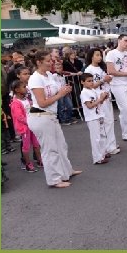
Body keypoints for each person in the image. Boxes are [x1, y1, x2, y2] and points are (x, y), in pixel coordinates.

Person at [28, 50, 82, 188]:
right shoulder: (35, 78)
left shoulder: (49, 75)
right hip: (40, 116)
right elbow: (42, 102)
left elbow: (57, 91)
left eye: (50, 60)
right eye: (47, 60)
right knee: (49, 149)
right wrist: (61, 94)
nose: (50, 63)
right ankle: (54, 179)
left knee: (61, 145)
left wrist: (64, 90)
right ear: (39, 62)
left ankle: (66, 171)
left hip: (50, 116)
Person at [105, 35, 127, 141]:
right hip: (117, 84)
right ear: (119, 41)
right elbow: (110, 71)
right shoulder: (111, 54)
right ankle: (126, 133)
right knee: (124, 108)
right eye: (125, 40)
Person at [84, 49, 120, 154]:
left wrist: (108, 79)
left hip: (106, 95)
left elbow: (108, 79)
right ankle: (108, 146)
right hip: (98, 98)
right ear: (91, 57)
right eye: (97, 55)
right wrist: (103, 80)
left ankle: (111, 143)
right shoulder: (89, 69)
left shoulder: (102, 68)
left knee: (110, 121)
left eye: (100, 55)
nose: (99, 57)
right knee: (104, 122)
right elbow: (90, 85)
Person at [9, 77, 42, 172]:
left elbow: (31, 108)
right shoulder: (16, 103)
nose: (26, 88)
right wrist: (30, 121)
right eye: (24, 87)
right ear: (17, 90)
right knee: (26, 146)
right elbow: (20, 117)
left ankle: (40, 160)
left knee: (36, 144)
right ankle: (28, 164)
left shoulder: (26, 99)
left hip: (31, 125)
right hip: (24, 128)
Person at [79, 73, 111, 165]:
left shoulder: (93, 90)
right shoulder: (84, 93)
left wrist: (104, 97)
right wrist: (100, 99)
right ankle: (97, 157)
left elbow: (99, 101)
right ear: (82, 82)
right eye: (89, 81)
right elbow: (89, 105)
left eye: (92, 80)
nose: (91, 83)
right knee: (95, 138)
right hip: (92, 117)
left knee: (102, 135)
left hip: (98, 115)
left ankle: (103, 152)